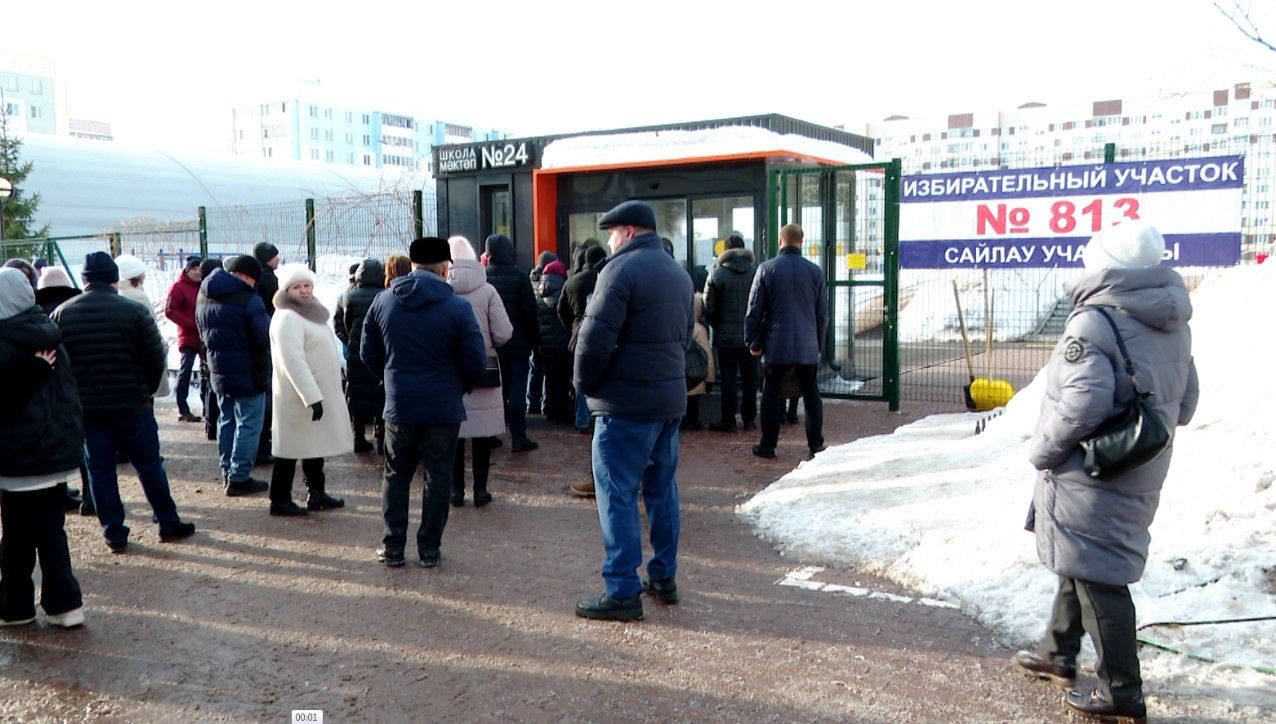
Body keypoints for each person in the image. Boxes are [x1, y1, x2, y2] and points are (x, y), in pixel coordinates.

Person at [1016, 222, 1198, 723]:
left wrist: (1043, 449)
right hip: (1140, 461)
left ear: (1105, 266)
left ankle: (1123, 691)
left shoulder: (1093, 322)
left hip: (1090, 472)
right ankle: (1058, 654)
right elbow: (1185, 402)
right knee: (1086, 564)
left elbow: (1083, 402)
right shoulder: (1171, 320)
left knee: (1101, 581)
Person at [573, 200, 693, 622]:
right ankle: (664, 576)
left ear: (626, 231)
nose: (608, 240)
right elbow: (682, 338)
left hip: (624, 405)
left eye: (611, 233)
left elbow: (593, 339)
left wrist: (585, 386)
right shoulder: (677, 274)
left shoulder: (618, 271)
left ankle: (622, 589)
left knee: (617, 495)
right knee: (662, 490)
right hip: (667, 402)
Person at [51, 253, 196, 553]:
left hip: (88, 409)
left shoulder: (63, 314)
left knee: (100, 470)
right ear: (114, 277)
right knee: (149, 465)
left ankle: (114, 533)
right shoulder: (134, 311)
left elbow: (58, 365)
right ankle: (168, 522)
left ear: (85, 279)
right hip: (133, 404)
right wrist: (143, 389)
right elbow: (155, 356)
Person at [360, 237, 485, 569]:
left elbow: (367, 352)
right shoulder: (458, 307)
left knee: (396, 474)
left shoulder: (383, 302)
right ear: (445, 268)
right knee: (438, 475)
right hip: (443, 405)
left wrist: (390, 378)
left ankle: (393, 547)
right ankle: (429, 549)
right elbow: (475, 359)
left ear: (412, 266)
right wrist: (458, 385)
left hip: (400, 403)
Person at [0, 268, 85, 627]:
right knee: (51, 531)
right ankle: (66, 607)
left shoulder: (5, 340)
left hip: (17, 457)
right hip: (54, 454)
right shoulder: (49, 332)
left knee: (17, 536)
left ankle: (16, 606)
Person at [266, 264, 352, 516]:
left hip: (315, 393)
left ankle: (316, 493)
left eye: (307, 286)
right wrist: (311, 396)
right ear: (287, 289)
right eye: (297, 286)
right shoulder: (287, 317)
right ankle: (279, 499)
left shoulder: (310, 313)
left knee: (313, 445)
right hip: (298, 397)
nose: (303, 291)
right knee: (289, 450)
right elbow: (293, 361)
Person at [745, 223, 827, 460]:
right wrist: (817, 344)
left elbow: (754, 310)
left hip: (776, 345)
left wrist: (752, 341)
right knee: (811, 394)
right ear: (801, 242)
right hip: (807, 345)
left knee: (771, 394)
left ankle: (768, 445)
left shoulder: (766, 269)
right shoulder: (815, 272)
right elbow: (822, 315)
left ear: (781, 242)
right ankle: (816, 445)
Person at [197, 255, 272, 497]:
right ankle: (239, 476)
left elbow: (201, 332)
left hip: (219, 370)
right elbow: (263, 335)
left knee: (226, 420)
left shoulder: (204, 295)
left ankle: (226, 470)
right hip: (249, 372)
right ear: (248, 276)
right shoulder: (250, 300)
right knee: (249, 423)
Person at [446, 236, 512, 508]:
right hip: (483, 367)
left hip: (450, 371)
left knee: (453, 432)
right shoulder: (488, 291)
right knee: (483, 432)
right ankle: (480, 490)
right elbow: (504, 332)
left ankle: (456, 490)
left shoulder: (441, 290)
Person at [483, 233, 541, 452]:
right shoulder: (519, 277)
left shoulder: (484, 277)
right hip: (517, 346)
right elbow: (530, 314)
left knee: (493, 392)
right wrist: (535, 344)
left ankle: (489, 435)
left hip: (491, 347)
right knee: (517, 392)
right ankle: (518, 436)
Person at [704, 233, 758, 433]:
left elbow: (708, 307)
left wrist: (718, 325)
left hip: (725, 338)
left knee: (728, 379)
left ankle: (728, 420)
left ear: (725, 251)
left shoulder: (716, 274)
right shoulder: (755, 272)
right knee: (750, 378)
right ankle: (749, 419)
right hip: (750, 337)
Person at [336, 258, 386, 454]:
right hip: (378, 352)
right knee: (380, 397)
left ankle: (358, 439)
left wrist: (352, 342)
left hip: (357, 353)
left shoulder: (351, 296)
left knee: (357, 397)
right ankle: (382, 439)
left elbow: (346, 323)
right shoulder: (384, 295)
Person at [115, 255, 171, 398]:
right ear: (136, 276)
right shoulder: (138, 297)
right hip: (141, 363)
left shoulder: (116, 294)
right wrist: (163, 348)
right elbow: (152, 329)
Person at [165, 255, 205, 423]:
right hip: (188, 336)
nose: (197, 272)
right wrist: (190, 324)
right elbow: (170, 310)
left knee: (206, 372)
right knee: (186, 371)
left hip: (203, 336)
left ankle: (207, 407)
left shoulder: (203, 286)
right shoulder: (178, 287)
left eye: (199, 269)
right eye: (193, 269)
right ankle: (183, 408)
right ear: (187, 270)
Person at [535, 259, 572, 425]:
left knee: (549, 377)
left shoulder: (538, 294)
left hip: (545, 344)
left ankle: (549, 409)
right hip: (563, 344)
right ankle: (562, 410)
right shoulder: (565, 292)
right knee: (563, 378)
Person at [526, 250, 557, 415]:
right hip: (547, 331)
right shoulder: (552, 282)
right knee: (546, 370)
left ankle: (531, 402)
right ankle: (545, 402)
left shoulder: (530, 280)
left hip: (535, 331)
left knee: (534, 367)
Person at [196, 258, 223, 441]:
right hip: (212, 343)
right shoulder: (214, 292)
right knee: (212, 387)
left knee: (207, 382)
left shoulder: (201, 291)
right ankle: (212, 424)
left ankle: (210, 424)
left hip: (204, 342)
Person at [682, 293, 715, 431]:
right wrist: (710, 379)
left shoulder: (678, 326)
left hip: (681, 376)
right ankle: (693, 421)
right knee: (693, 403)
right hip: (696, 377)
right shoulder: (700, 330)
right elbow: (708, 357)